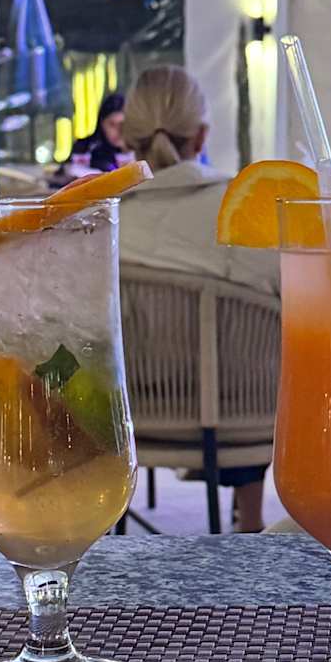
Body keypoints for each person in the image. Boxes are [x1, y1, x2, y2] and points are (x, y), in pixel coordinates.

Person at [119, 66, 277, 531]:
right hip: (245, 412)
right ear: (202, 135)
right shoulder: (242, 208)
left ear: (129, 137)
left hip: (136, 409)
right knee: (254, 351)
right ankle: (251, 519)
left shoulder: (103, 221)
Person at [56, 91, 127, 179]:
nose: (118, 131)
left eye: (122, 125)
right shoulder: (83, 148)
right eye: (112, 124)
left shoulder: (137, 150)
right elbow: (61, 175)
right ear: (102, 123)